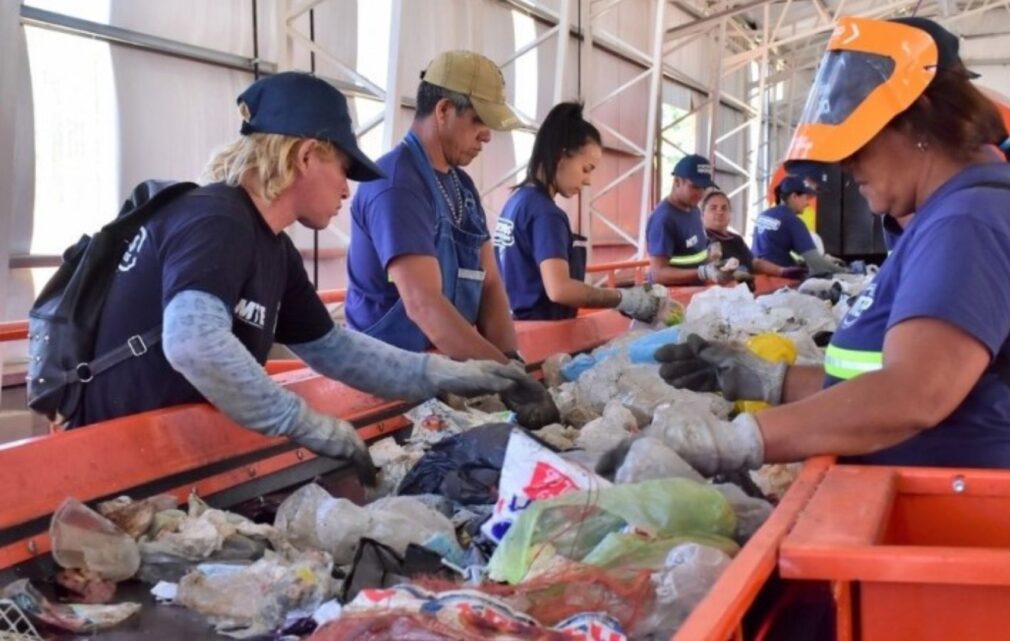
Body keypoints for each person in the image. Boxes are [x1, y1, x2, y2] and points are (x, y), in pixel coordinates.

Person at [647, 16, 1010, 473]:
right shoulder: (967, 209)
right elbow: (888, 381)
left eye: (857, 144)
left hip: (954, 518)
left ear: (916, 119)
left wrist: (734, 441)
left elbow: (912, 394)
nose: (846, 164)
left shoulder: (973, 221)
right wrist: (763, 380)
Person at [75, 72, 535, 479]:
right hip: (103, 464)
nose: (346, 189)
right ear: (307, 155)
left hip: (159, 458)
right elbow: (193, 341)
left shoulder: (273, 247)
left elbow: (333, 349)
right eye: (343, 168)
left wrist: (448, 375)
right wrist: (304, 422)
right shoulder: (216, 217)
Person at [346, 50, 523, 363]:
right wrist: (504, 376)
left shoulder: (463, 187)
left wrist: (511, 358)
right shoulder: (397, 185)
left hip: (447, 364)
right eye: (479, 121)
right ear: (443, 110)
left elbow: (491, 285)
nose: (487, 136)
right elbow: (422, 304)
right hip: (388, 372)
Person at [493, 102, 664, 322]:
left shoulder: (515, 202)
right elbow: (560, 289)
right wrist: (624, 298)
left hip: (515, 326)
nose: (588, 180)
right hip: (544, 332)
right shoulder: (546, 213)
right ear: (560, 156)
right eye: (586, 169)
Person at [646, 154, 733, 286]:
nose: (700, 193)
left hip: (695, 291)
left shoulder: (693, 210)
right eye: (695, 187)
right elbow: (658, 274)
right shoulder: (664, 220)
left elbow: (696, 247)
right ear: (677, 182)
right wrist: (703, 273)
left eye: (704, 188)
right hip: (672, 298)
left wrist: (712, 250)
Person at [699, 189, 807, 286]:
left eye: (724, 208)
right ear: (702, 214)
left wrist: (782, 271)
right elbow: (710, 272)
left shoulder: (736, 239)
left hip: (748, 294)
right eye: (713, 208)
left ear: (730, 213)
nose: (719, 212)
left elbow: (754, 263)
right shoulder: (701, 239)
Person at [751, 175, 842, 276]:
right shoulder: (792, 221)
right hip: (779, 279)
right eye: (806, 198)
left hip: (757, 276)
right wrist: (846, 271)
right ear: (794, 196)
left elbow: (771, 249)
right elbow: (817, 265)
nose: (807, 203)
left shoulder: (764, 215)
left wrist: (818, 259)